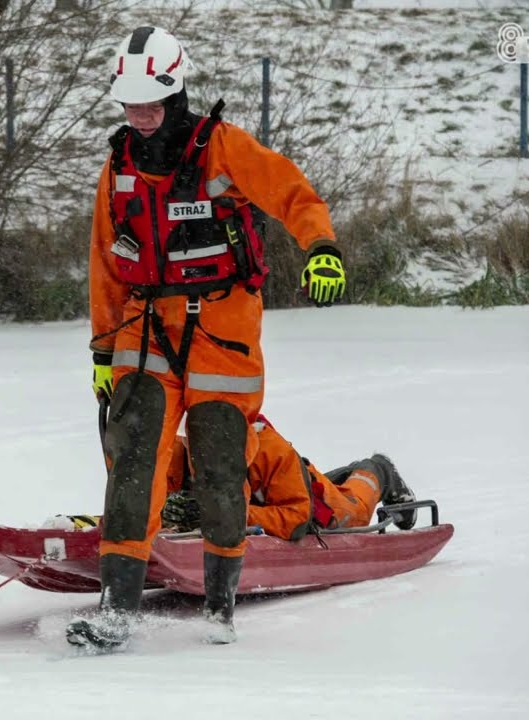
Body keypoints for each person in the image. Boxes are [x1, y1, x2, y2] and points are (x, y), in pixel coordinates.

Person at [72, 26, 347, 651]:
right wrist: (100, 351)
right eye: (129, 104)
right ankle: (117, 611)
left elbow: (293, 193)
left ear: (175, 93)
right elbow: (105, 265)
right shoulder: (117, 168)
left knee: (221, 467)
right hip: (143, 329)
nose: (139, 116)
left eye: (150, 103)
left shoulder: (223, 148)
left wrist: (321, 247)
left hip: (223, 328)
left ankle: (220, 605)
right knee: (134, 464)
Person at [160, 415, 419, 541]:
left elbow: (297, 519)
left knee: (355, 512)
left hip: (309, 504)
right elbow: (147, 495)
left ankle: (379, 469)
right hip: (279, 489)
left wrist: (226, 513)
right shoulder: (174, 451)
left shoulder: (269, 450)